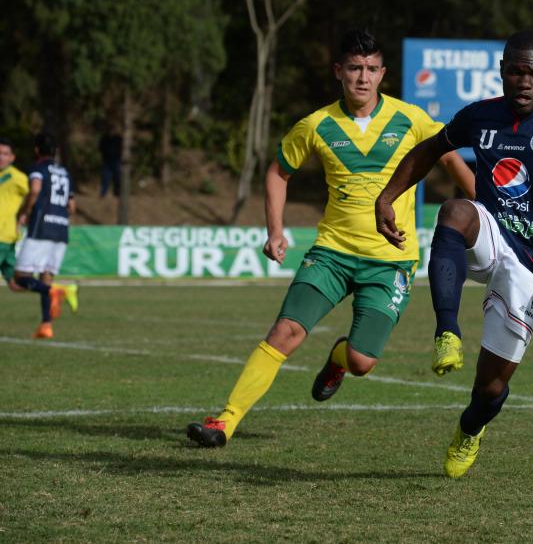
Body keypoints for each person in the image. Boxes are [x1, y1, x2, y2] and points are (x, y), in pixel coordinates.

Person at [186, 30, 475, 448]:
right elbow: (277, 172)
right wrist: (275, 230)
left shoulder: (411, 119)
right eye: (355, 68)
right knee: (284, 332)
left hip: (390, 262)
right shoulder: (316, 125)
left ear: (383, 74)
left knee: (362, 362)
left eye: (372, 69)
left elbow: (448, 155)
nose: (363, 78)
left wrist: (481, 206)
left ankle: (340, 359)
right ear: (338, 71)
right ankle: (224, 421)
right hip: (332, 255)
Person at [375, 29, 533, 478]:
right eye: (515, 71)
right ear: (503, 71)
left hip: (532, 263)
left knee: (490, 388)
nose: (523, 81)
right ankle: (446, 333)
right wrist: (387, 197)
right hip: (491, 232)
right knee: (454, 211)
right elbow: (431, 149)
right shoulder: (480, 116)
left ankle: (470, 429)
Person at [13, 133, 79, 339]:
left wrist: (23, 212)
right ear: (56, 151)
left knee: (20, 278)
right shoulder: (65, 173)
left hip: (41, 227)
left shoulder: (38, 169)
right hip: (61, 229)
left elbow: (35, 190)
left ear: (36, 150)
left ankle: (60, 292)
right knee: (46, 277)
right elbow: (72, 207)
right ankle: (46, 325)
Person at [0, 138, 30, 292]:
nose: (1, 157)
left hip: (4, 236)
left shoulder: (18, 177)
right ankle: (57, 291)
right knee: (15, 284)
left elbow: (34, 196)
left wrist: (25, 214)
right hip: (7, 240)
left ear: (12, 157)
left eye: (5, 154)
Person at [98, 123, 122, 197]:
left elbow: (122, 148)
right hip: (106, 161)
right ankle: (103, 193)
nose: (111, 131)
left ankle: (117, 193)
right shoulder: (104, 138)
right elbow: (100, 148)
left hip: (116, 160)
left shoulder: (118, 138)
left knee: (117, 178)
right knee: (105, 178)